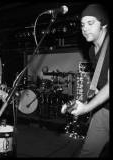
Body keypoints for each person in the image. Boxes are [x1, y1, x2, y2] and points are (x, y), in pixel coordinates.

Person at [61, 4, 109, 157]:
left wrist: (87, 108)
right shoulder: (91, 50)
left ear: (104, 24)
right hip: (105, 110)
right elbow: (98, 85)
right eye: (82, 24)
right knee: (88, 153)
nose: (85, 28)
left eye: (90, 23)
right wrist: (75, 103)